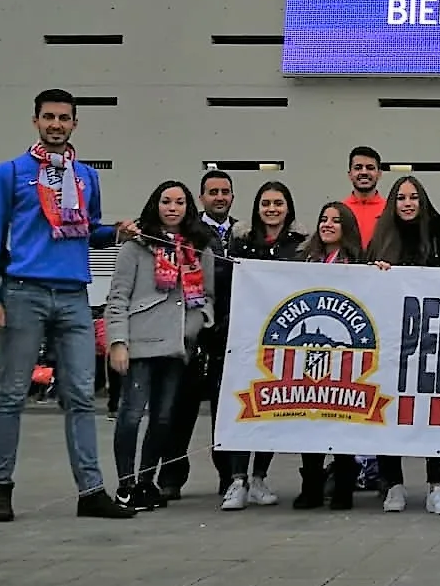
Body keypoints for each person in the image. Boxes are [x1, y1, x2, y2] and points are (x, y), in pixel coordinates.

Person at [0, 88, 138, 522]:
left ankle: (91, 491)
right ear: (35, 121)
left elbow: (88, 231)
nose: (56, 125)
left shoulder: (85, 176)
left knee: (82, 395)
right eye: (48, 117)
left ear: (75, 124)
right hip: (23, 291)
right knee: (10, 394)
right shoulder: (9, 173)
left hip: (73, 296)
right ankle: (1, 488)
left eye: (64, 118)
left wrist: (117, 233)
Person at [105, 180, 217, 512]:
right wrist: (117, 341)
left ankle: (145, 481)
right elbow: (117, 298)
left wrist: (194, 327)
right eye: (166, 201)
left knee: (164, 419)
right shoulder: (135, 248)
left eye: (179, 202)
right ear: (155, 204)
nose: (172, 208)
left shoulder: (201, 249)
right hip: (139, 345)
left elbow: (207, 298)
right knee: (131, 415)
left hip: (176, 347)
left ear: (188, 207)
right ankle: (125, 484)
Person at [367, 174, 440, 513]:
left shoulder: (439, 235)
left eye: (413, 197)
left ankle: (437, 484)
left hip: (432, 337)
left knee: (433, 411)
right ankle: (393, 484)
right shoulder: (380, 237)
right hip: (391, 342)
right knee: (388, 409)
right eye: (401, 197)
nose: (407, 203)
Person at [219, 180, 304, 511]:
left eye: (278, 203)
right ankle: (237, 479)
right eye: (266, 203)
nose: (272, 209)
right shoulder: (240, 241)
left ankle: (259, 477)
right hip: (244, 337)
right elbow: (227, 282)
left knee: (270, 409)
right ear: (257, 207)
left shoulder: (299, 244)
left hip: (281, 340)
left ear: (288, 207)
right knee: (243, 408)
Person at [293, 202, 380, 511]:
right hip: (309, 357)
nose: (327, 225)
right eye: (323, 219)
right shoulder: (303, 259)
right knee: (309, 416)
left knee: (343, 417)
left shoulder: (360, 261)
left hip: (346, 353)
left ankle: (344, 482)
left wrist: (382, 274)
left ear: (348, 227)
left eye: (335, 220)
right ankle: (311, 484)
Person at [159, 168, 237, 499]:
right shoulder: (188, 233)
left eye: (225, 192)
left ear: (232, 197)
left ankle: (228, 475)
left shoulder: (243, 234)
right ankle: (171, 476)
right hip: (191, 331)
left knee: (224, 410)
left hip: (230, 333)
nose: (219, 197)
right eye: (213, 192)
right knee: (180, 408)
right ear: (202, 197)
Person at [342, 146, 387, 246]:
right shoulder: (339, 211)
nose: (364, 172)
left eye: (370, 168)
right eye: (358, 168)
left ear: (379, 174)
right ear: (350, 174)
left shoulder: (389, 209)